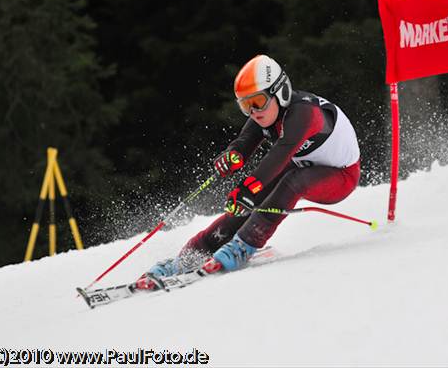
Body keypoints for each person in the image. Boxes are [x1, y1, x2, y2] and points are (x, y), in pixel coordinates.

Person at [136, 54, 360, 289]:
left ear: (279, 92)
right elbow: (244, 142)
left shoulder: (305, 113)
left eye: (258, 101)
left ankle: (245, 245)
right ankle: (193, 255)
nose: (253, 111)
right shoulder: (264, 114)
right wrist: (231, 157)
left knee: (288, 181)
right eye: (245, 105)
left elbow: (281, 153)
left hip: (341, 176)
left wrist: (247, 187)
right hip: (304, 165)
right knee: (256, 194)